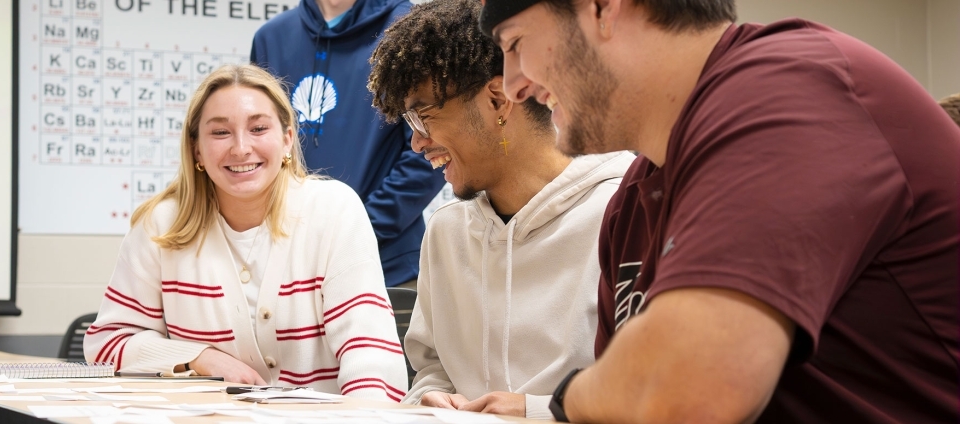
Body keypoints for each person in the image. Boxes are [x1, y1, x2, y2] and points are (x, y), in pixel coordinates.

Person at [481, 1, 960, 423]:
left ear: (604, 7)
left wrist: (568, 397)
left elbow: (683, 392)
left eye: (516, 42)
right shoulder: (631, 203)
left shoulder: (791, 91)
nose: (513, 85)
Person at [367, 0, 634, 419]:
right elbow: (433, 368)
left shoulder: (622, 211)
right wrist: (430, 398)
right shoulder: (446, 232)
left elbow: (654, 390)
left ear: (497, 100)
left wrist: (537, 409)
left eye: (422, 118)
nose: (416, 143)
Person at [83, 64, 407, 402]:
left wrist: (367, 417)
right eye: (220, 133)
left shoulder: (333, 210)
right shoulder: (161, 225)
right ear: (196, 149)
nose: (240, 148)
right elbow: (107, 342)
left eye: (258, 128)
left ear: (287, 139)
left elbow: (370, 353)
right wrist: (198, 356)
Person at [250, 0, 446, 289]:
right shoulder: (271, 37)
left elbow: (430, 146)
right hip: (287, 268)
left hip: (386, 267)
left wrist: (356, 230)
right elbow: (257, 146)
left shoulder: (408, 27)